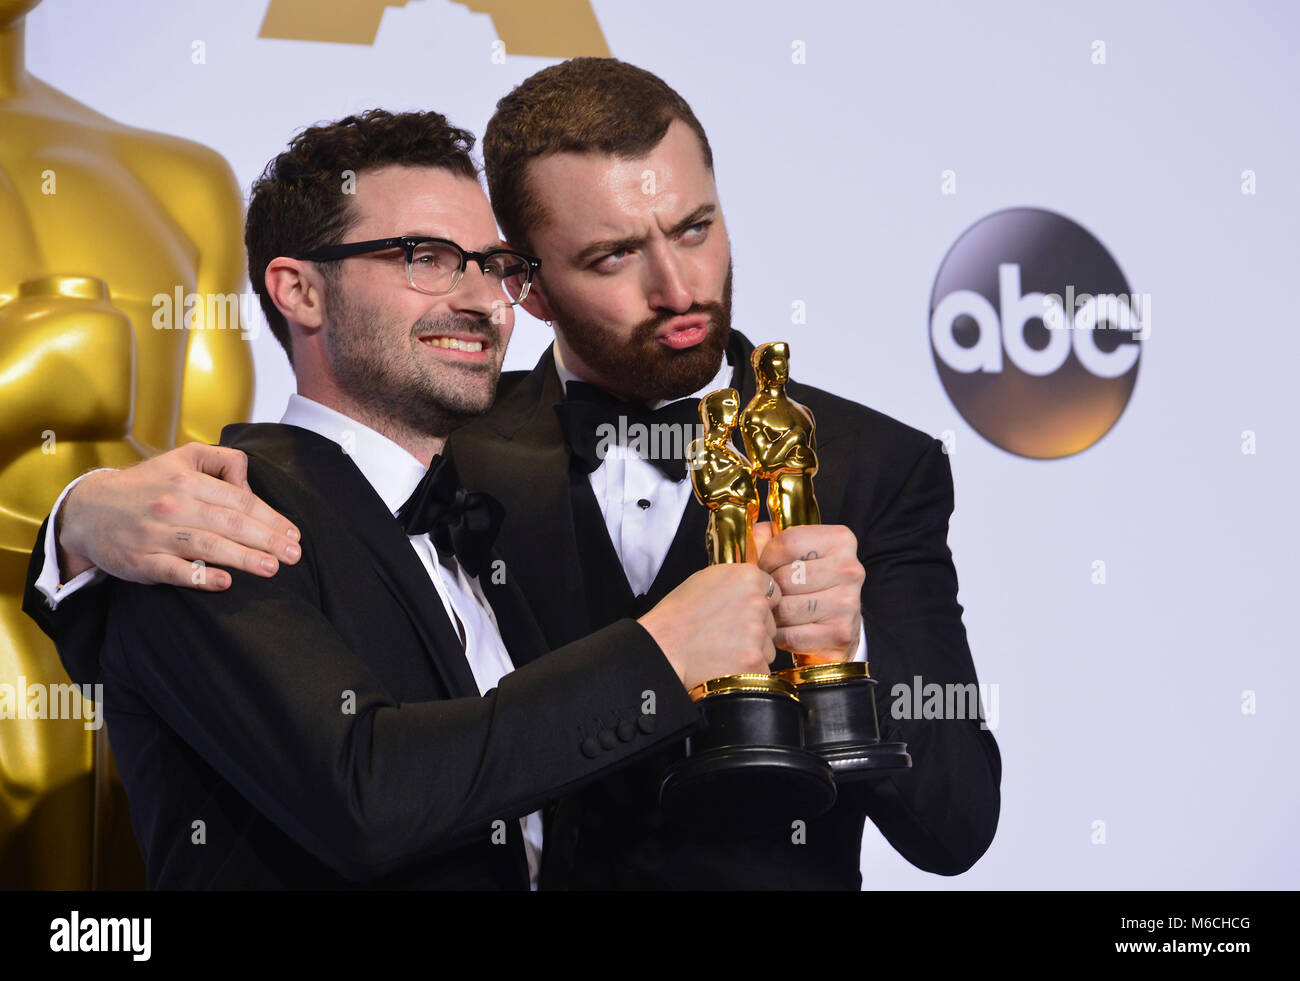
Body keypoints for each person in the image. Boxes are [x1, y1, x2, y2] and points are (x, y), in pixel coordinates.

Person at [28, 59, 1001, 889]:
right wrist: (72, 518)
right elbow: (365, 780)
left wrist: (846, 653)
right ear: (537, 284)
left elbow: (954, 824)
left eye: (696, 229)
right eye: (613, 254)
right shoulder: (348, 484)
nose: (676, 288)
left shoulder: (876, 464)